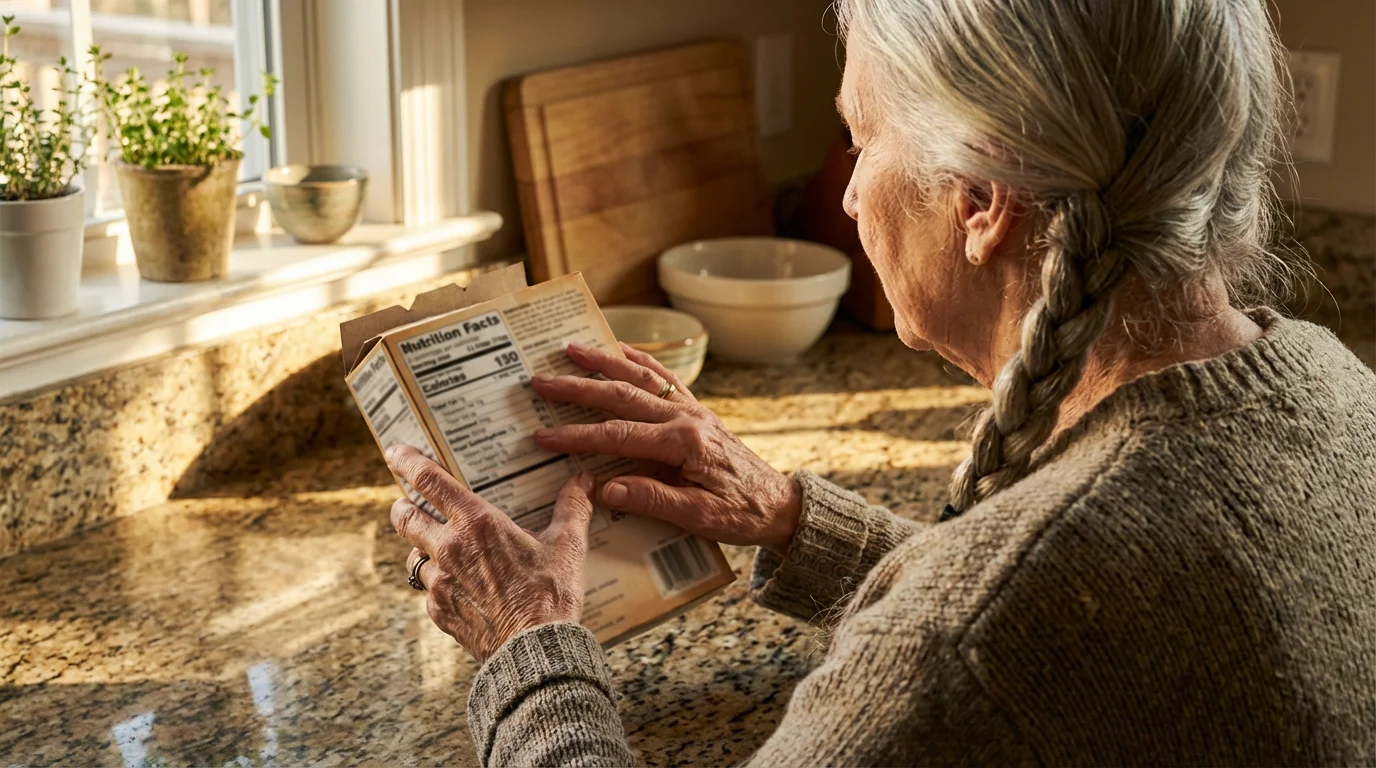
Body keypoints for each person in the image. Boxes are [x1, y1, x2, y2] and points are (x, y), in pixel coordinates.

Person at [384, 0, 1376, 764]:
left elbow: (989, 634)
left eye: (860, 136)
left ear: (980, 202)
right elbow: (1077, 648)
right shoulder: (1332, 390)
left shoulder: (959, 644)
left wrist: (530, 647)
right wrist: (789, 517)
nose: (849, 191)